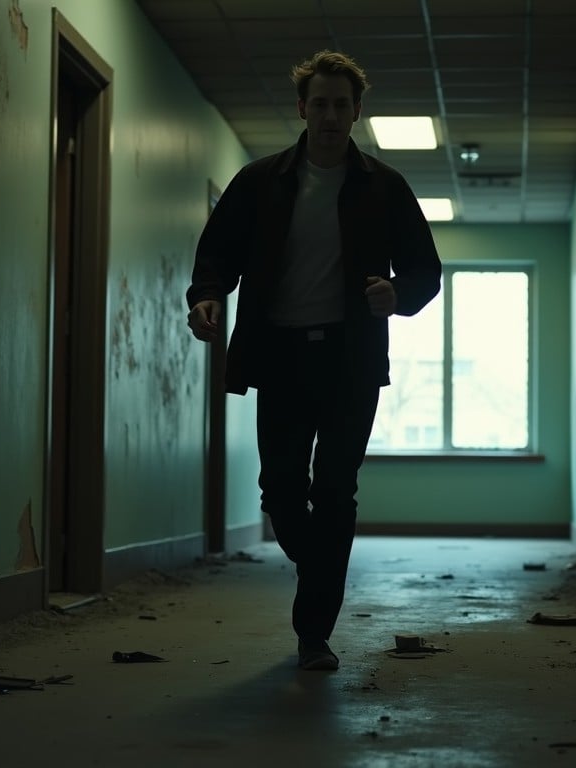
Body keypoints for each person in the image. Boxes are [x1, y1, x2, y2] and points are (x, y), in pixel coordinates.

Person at [185, 50, 441, 671]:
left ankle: (313, 633)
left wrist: (396, 294)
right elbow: (216, 253)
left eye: (341, 105)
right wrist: (209, 298)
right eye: (319, 104)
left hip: (351, 362)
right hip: (280, 357)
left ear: (357, 112)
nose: (330, 115)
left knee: (335, 490)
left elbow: (426, 271)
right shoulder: (260, 181)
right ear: (302, 109)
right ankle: (320, 561)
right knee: (281, 491)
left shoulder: (384, 187)